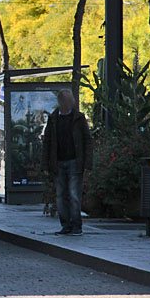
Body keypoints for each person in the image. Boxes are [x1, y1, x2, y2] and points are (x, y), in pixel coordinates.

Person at [41, 89, 92, 235]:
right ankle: (66, 225)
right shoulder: (53, 118)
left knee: (74, 194)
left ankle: (76, 226)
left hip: (75, 161)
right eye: (68, 101)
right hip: (58, 162)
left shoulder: (79, 118)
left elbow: (87, 140)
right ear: (61, 102)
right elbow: (48, 142)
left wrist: (87, 162)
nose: (71, 104)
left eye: (72, 101)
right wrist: (45, 164)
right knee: (60, 195)